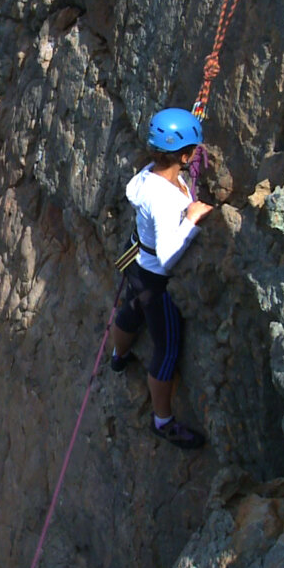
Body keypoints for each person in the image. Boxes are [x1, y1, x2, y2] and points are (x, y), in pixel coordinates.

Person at [109, 107, 214, 449]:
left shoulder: (147, 175)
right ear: (183, 155)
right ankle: (162, 421)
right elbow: (169, 259)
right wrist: (192, 220)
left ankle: (118, 357)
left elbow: (167, 182)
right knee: (166, 350)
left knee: (130, 310)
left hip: (136, 261)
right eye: (192, 152)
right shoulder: (167, 200)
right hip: (156, 278)